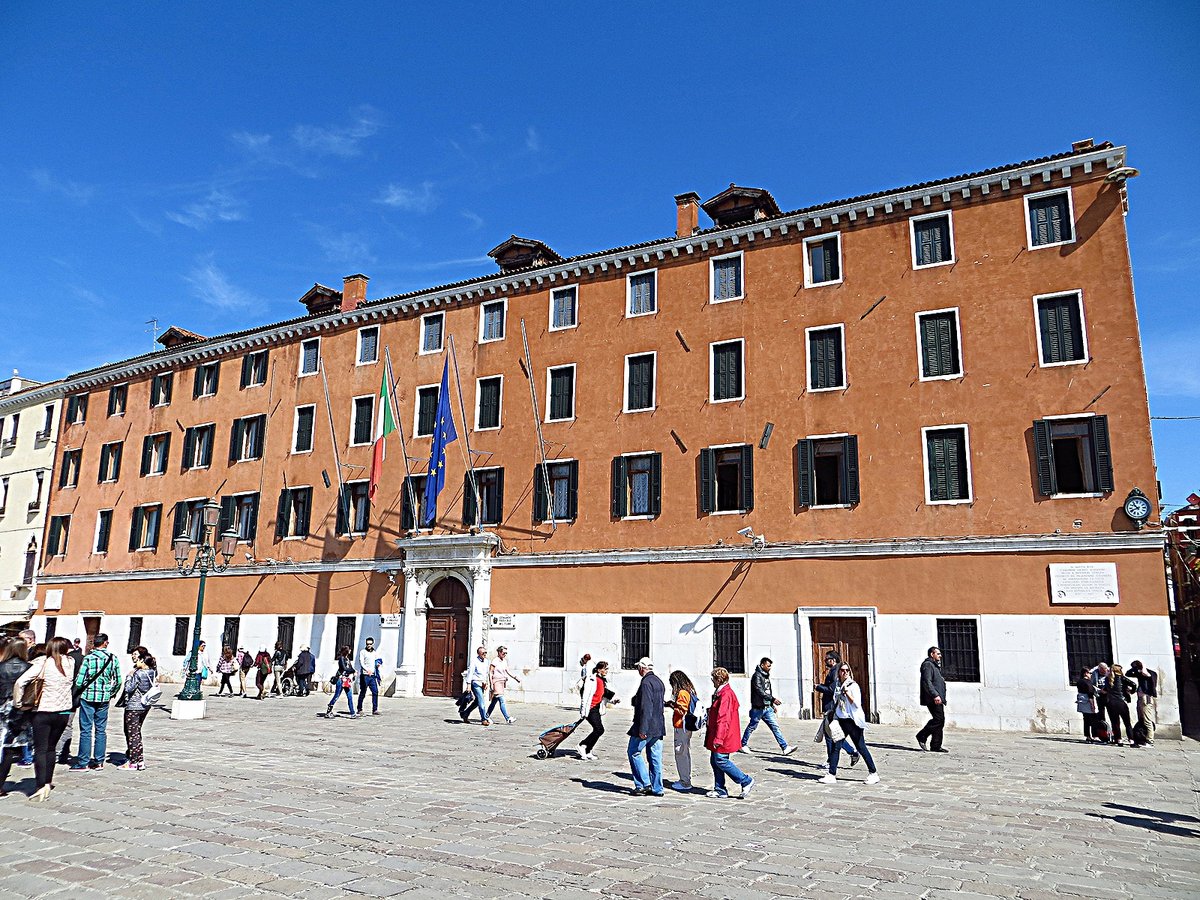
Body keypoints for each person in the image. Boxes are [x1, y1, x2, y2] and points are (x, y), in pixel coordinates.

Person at [13, 636, 75, 801]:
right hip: (63, 712)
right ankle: (48, 781)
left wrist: (19, 703)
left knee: (40, 749)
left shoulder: (43, 663)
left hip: (43, 711)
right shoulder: (71, 663)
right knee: (51, 748)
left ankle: (41, 785)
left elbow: (20, 682)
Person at [820, 662, 880, 785]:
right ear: (839, 672)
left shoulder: (853, 686)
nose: (845, 672)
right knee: (836, 747)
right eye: (842, 670)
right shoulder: (837, 685)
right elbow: (836, 701)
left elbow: (856, 704)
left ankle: (873, 773)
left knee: (861, 747)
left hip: (853, 722)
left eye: (847, 670)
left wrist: (847, 693)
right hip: (841, 720)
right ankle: (831, 774)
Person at [71, 632, 121, 771]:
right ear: (105, 643)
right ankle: (99, 761)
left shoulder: (88, 658)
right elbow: (118, 681)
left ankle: (83, 762)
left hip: (88, 697)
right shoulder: (113, 658)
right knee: (101, 730)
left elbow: (79, 681)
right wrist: (111, 693)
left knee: (86, 730)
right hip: (104, 698)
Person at [705, 667, 753, 799]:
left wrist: (719, 738)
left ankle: (745, 780)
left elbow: (723, 718)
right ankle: (720, 788)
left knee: (721, 760)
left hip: (724, 734)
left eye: (713, 679)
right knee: (715, 761)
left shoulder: (725, 694)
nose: (712, 681)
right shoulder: (722, 692)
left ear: (719, 680)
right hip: (719, 732)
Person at [739, 657, 796, 756]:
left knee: (775, 727)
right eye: (768, 666)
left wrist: (771, 704)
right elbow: (760, 691)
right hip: (758, 708)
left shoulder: (765, 676)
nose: (770, 668)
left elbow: (767, 691)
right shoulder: (757, 676)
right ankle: (742, 744)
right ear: (762, 665)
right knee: (752, 726)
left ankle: (785, 747)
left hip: (767, 708)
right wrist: (773, 699)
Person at [627, 657, 666, 797]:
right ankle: (657, 788)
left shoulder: (646, 683)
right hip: (658, 726)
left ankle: (644, 784)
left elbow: (646, 707)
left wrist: (643, 729)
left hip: (646, 726)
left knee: (634, 752)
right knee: (655, 757)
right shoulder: (658, 681)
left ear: (642, 668)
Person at [814, 651, 859, 769]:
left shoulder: (835, 672)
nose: (825, 662)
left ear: (833, 660)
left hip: (831, 707)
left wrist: (818, 687)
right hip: (831, 706)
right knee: (831, 734)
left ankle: (838, 758)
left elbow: (831, 689)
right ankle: (844, 755)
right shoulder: (833, 671)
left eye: (827, 659)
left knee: (831, 735)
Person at [0, 638, 31, 797]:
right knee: (9, 749)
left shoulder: (0, 667)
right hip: (19, 712)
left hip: (1, 709)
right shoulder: (29, 668)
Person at [118, 648, 157, 770]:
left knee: (132, 734)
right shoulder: (152, 672)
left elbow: (129, 688)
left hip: (134, 706)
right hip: (145, 706)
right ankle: (140, 761)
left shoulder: (138, 673)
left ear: (142, 661)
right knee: (137, 733)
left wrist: (129, 677)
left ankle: (133, 762)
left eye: (138, 658)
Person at [665, 670, 697, 792]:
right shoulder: (689, 690)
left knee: (681, 753)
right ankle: (685, 779)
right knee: (684, 752)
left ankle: (685, 781)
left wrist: (673, 705)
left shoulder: (683, 693)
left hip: (681, 726)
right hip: (685, 727)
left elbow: (682, 710)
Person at [578, 660, 615, 759]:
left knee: (599, 730)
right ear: (599, 669)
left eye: (607, 669)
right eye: (605, 669)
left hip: (597, 708)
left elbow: (602, 695)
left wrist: (613, 701)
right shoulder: (591, 680)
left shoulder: (603, 681)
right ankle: (582, 745)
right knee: (599, 729)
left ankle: (588, 750)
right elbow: (585, 695)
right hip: (590, 709)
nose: (607, 671)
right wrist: (583, 711)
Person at [916, 646, 948, 752]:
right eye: (938, 654)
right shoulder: (928, 665)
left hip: (938, 697)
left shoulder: (934, 666)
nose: (940, 656)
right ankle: (922, 735)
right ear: (932, 654)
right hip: (933, 698)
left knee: (940, 720)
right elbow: (927, 682)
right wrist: (935, 695)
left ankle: (936, 745)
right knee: (938, 719)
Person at [487, 646, 522, 725]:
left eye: (506, 653)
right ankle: (507, 718)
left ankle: (486, 716)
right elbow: (490, 672)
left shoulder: (504, 661)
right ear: (499, 652)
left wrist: (515, 678)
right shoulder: (495, 661)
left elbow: (507, 671)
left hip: (502, 682)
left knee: (494, 702)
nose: (505, 654)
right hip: (496, 682)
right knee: (502, 700)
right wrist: (491, 684)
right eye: (503, 653)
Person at [1105, 664, 1137, 746]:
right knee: (1127, 723)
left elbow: (1105, 689)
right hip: (1121, 702)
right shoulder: (1121, 678)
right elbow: (1134, 684)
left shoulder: (1107, 679)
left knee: (1115, 723)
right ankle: (1131, 741)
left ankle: (1119, 740)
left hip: (1111, 703)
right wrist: (1131, 692)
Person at [1129, 660, 1158, 744]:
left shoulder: (1150, 674)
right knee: (1141, 719)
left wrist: (1143, 666)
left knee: (1147, 720)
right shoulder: (1140, 675)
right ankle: (1142, 737)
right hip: (1141, 699)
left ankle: (1150, 740)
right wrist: (1135, 670)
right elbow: (1128, 673)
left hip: (1146, 698)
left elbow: (1146, 674)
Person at [323, 646, 357, 718]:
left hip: (346, 680)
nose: (350, 651)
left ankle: (352, 712)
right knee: (337, 695)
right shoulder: (341, 658)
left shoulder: (347, 659)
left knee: (350, 696)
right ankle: (329, 710)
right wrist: (352, 671)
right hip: (340, 679)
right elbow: (344, 668)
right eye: (349, 650)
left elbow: (350, 668)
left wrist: (354, 671)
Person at [462, 646, 492, 726]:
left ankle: (465, 713)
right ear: (479, 654)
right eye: (483, 653)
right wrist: (468, 685)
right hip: (475, 683)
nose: (485, 654)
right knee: (481, 701)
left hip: (482, 683)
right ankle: (484, 719)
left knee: (477, 702)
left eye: (485, 652)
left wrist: (486, 682)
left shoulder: (486, 661)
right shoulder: (474, 661)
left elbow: (486, 673)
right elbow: (470, 673)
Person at [356, 638, 383, 716]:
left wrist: (378, 664)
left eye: (370, 644)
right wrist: (367, 670)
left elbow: (377, 660)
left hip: (373, 676)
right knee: (363, 692)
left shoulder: (374, 653)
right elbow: (362, 663)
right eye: (367, 644)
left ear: (372, 644)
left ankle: (375, 709)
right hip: (365, 675)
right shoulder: (362, 652)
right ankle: (359, 708)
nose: (369, 645)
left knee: (375, 692)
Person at [1076, 666, 1102, 742]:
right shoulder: (1087, 682)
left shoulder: (1080, 681)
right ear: (1086, 673)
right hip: (1088, 702)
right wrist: (1092, 705)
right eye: (1090, 673)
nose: (1091, 675)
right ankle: (1095, 735)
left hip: (1082, 702)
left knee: (1086, 720)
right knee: (1094, 719)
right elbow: (1090, 693)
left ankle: (1087, 735)